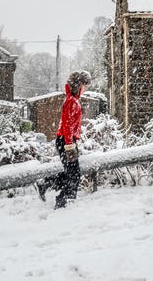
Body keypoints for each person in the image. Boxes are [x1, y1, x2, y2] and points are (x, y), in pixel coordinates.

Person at [34, 70, 91, 209]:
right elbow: (67, 125)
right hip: (66, 141)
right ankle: (64, 202)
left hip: (66, 140)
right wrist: (70, 145)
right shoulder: (72, 102)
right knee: (74, 174)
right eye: (85, 86)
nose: (86, 90)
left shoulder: (73, 100)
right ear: (79, 85)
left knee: (71, 173)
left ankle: (46, 184)